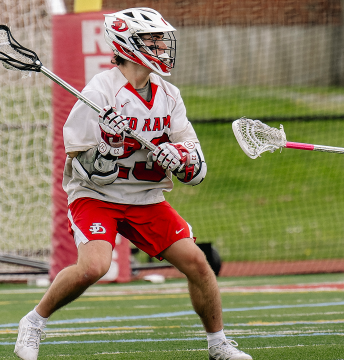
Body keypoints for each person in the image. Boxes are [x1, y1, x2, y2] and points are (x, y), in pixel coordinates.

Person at [14, 8, 252, 360]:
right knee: (94, 267)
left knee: (198, 263)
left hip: (146, 197)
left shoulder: (169, 95)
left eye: (161, 41)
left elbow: (197, 169)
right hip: (97, 196)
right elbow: (83, 168)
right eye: (153, 41)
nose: (162, 48)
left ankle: (218, 344)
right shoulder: (99, 93)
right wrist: (108, 149)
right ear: (129, 45)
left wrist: (178, 157)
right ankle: (33, 322)